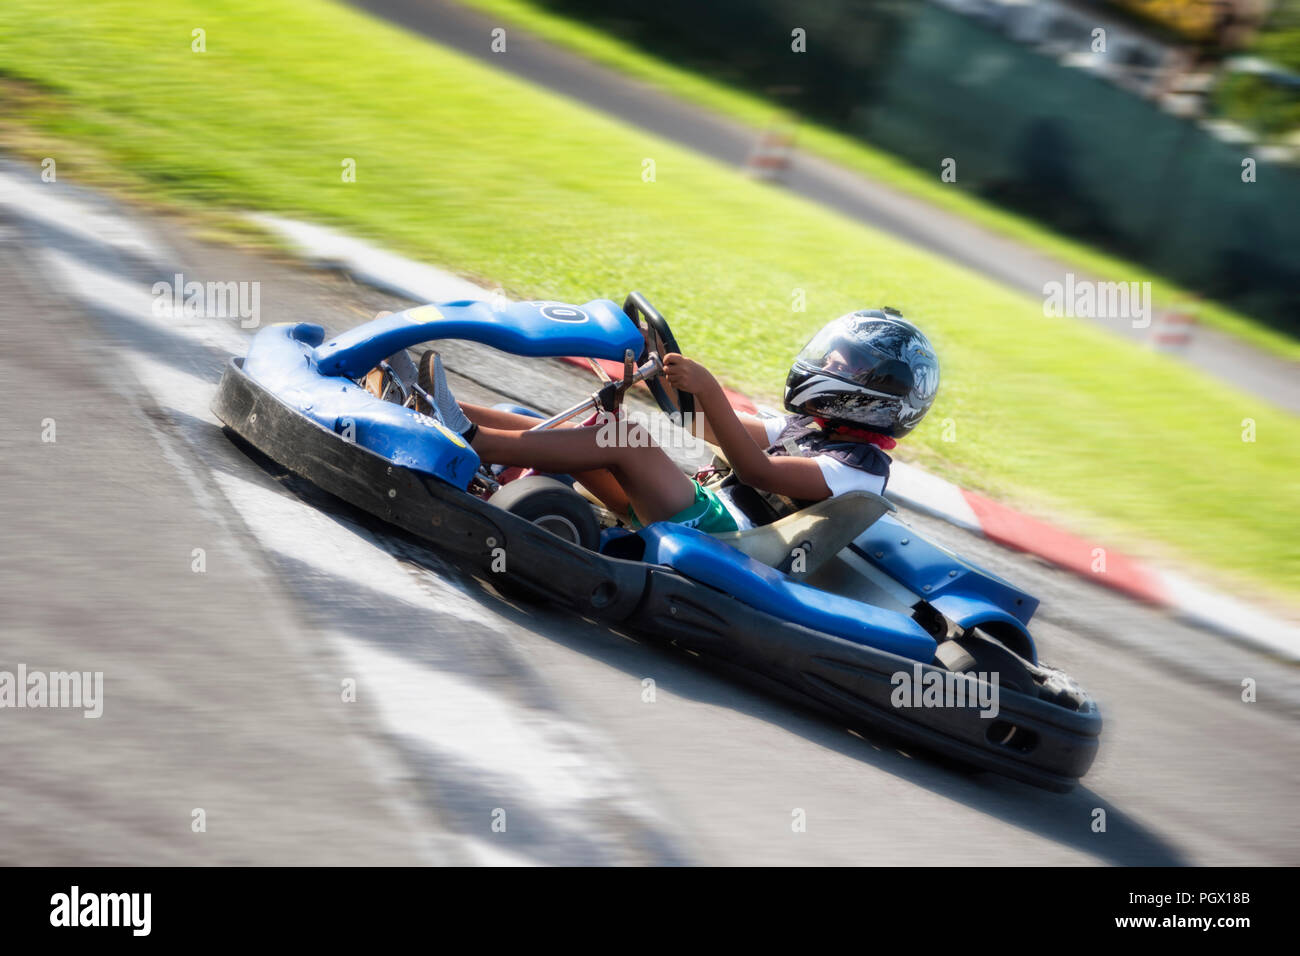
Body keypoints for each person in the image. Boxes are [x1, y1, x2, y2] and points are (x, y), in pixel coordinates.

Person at [440, 308, 939, 533]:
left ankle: (472, 440)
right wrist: (664, 375)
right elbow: (704, 426)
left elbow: (759, 474)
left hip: (729, 536)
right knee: (597, 425)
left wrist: (711, 389)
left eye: (847, 363)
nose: (830, 365)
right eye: (834, 356)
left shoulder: (860, 466)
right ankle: (433, 411)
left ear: (880, 392)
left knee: (626, 440)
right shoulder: (807, 430)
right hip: (697, 505)